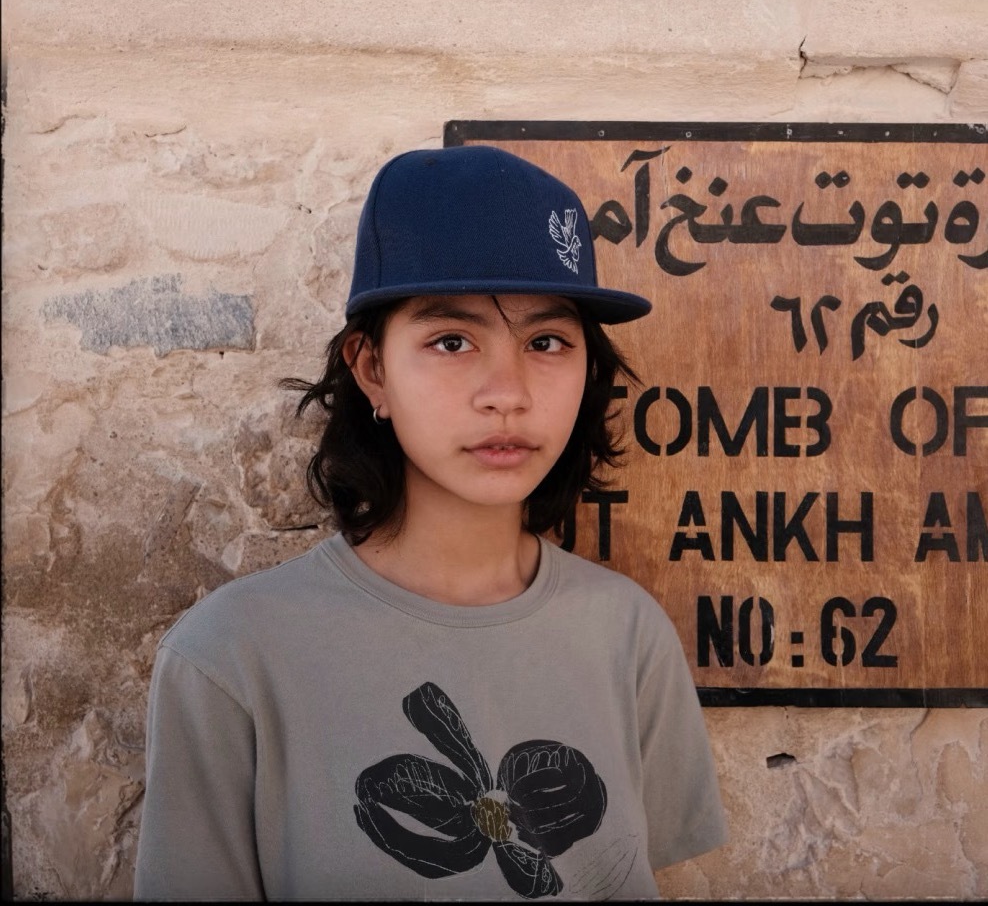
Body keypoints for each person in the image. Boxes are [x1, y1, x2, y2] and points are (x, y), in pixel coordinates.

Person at [134, 145, 728, 901]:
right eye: (452, 342)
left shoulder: (628, 634)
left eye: (546, 342)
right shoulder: (229, 659)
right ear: (372, 369)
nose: (507, 393)